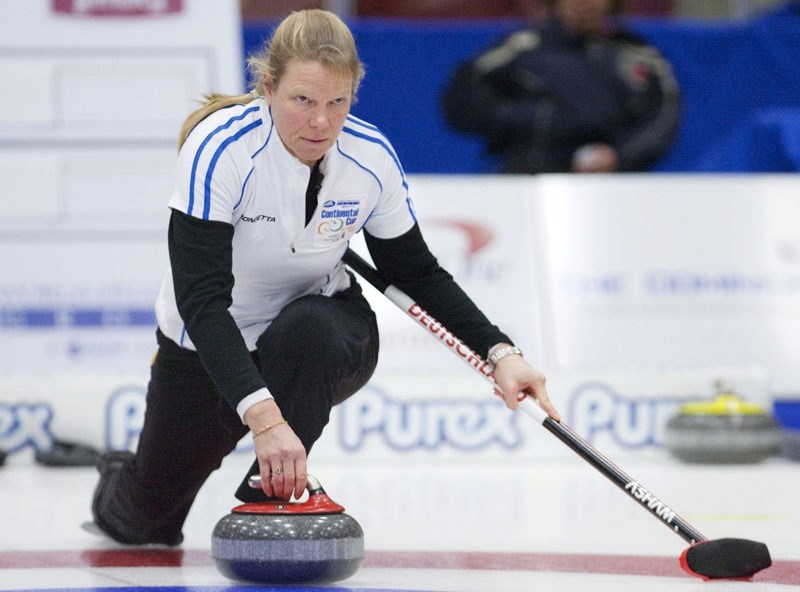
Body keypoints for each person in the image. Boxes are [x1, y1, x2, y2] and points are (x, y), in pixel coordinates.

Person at [88, 8, 560, 546]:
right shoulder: (220, 150)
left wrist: (501, 351)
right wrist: (264, 419)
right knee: (143, 522)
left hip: (319, 328)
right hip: (210, 339)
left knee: (309, 329)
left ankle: (275, 492)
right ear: (269, 87)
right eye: (303, 101)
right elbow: (202, 301)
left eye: (338, 102)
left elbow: (417, 272)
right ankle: (118, 482)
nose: (321, 123)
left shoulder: (370, 158)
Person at [441, 0, 681, 174]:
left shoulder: (638, 55)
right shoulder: (523, 46)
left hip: (607, 186)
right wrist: (524, 119)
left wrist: (619, 155)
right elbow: (460, 96)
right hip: (522, 178)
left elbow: (663, 116)